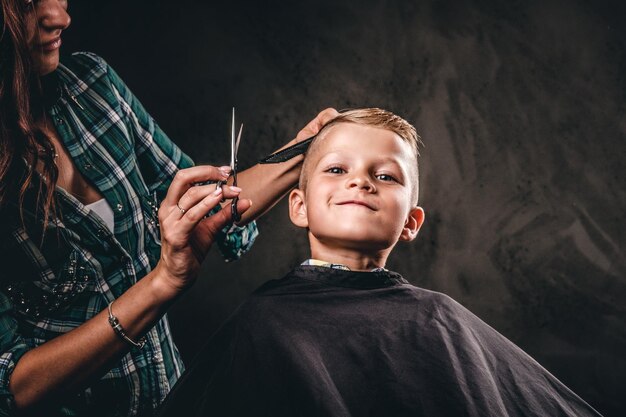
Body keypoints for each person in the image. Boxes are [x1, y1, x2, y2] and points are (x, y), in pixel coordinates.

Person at [0, 0, 338, 415]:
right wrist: (162, 284)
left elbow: (205, 204)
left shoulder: (92, 85)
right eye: (27, 4)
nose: (60, 17)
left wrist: (310, 150)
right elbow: (16, 387)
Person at [157, 108, 603, 417]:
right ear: (299, 206)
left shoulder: (439, 320)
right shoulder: (262, 322)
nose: (360, 181)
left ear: (411, 222)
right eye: (336, 169)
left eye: (385, 175)